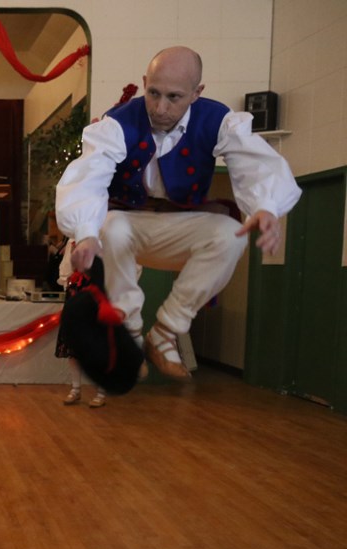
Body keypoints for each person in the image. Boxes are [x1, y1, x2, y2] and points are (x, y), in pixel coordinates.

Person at [56, 46, 301, 380]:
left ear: (197, 93)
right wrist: (84, 232)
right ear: (145, 82)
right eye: (153, 93)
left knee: (230, 236)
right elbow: (91, 173)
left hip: (181, 227)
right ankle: (129, 333)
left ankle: (166, 332)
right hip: (129, 224)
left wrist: (266, 206)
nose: (160, 107)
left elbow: (253, 163)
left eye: (174, 97)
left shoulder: (218, 120)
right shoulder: (119, 121)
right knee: (111, 227)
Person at [55, 241, 107, 408]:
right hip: (77, 292)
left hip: (98, 293)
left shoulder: (106, 236)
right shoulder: (73, 239)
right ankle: (76, 388)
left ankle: (101, 392)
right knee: (73, 345)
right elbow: (66, 269)